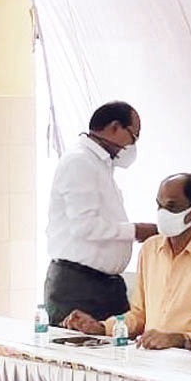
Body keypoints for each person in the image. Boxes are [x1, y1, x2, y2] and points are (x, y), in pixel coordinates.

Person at [62, 173, 191, 350]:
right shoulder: (150, 249)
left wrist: (179, 339)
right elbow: (138, 316)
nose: (162, 213)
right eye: (159, 206)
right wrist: (102, 328)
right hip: (149, 356)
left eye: (172, 207)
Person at [43, 101, 158, 325]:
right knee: (77, 347)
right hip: (78, 286)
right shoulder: (79, 162)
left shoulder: (99, 164)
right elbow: (85, 226)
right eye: (133, 136)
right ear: (114, 127)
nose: (132, 146)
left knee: (119, 340)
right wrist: (136, 231)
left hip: (104, 285)